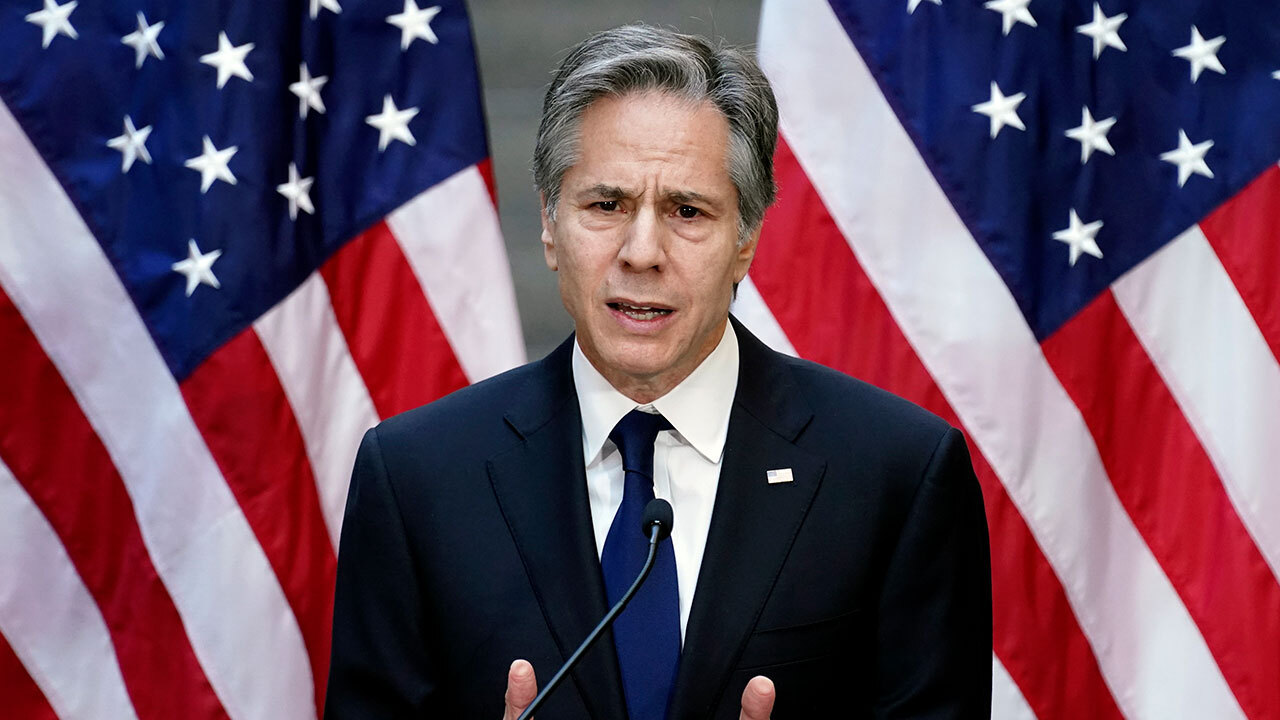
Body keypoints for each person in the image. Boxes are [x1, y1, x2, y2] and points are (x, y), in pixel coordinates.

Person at [324, 24, 991, 720]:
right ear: (551, 226)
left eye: (687, 211)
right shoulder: (416, 477)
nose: (642, 251)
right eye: (606, 205)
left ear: (746, 240)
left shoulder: (895, 474)